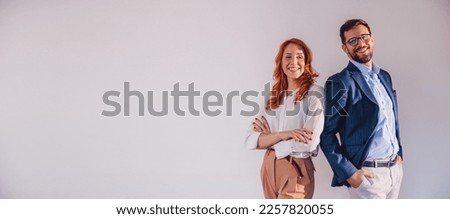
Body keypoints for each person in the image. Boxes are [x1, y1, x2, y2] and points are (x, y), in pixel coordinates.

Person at [320, 19, 403, 198]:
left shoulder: (385, 76)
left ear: (372, 39)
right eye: (353, 40)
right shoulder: (341, 82)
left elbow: (392, 118)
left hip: (395, 171)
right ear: (345, 48)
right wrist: (349, 173)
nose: (360, 43)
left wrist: (399, 155)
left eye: (364, 37)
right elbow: (327, 133)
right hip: (368, 175)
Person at [245, 38, 324, 199]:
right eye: (288, 56)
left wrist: (271, 141)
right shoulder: (271, 95)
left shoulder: (315, 93)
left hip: (296, 168)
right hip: (268, 167)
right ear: (280, 61)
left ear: (307, 62)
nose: (294, 62)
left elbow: (309, 143)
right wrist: (284, 134)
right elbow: (250, 139)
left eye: (300, 57)